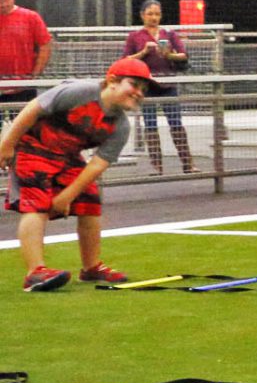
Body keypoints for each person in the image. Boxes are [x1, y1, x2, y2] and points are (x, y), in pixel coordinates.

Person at [0, 55, 152, 290]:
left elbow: (97, 165)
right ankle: (35, 272)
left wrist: (67, 196)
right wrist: (7, 145)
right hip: (33, 148)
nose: (139, 93)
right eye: (134, 84)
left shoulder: (120, 126)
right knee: (36, 205)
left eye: (143, 89)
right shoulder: (79, 92)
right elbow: (33, 109)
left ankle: (91, 268)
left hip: (67, 157)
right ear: (112, 80)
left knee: (90, 202)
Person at [121, 0, 195, 174]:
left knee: (176, 123)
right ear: (142, 15)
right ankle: (157, 166)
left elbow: (184, 55)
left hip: (168, 83)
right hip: (147, 86)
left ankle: (188, 163)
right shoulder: (135, 36)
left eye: (157, 14)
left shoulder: (169, 34)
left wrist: (169, 54)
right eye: (150, 14)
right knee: (150, 124)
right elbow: (125, 59)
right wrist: (143, 52)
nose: (154, 17)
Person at [0, 0, 52, 109]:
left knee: (26, 129)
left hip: (23, 87)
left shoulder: (30, 17)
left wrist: (34, 76)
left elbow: (45, 44)